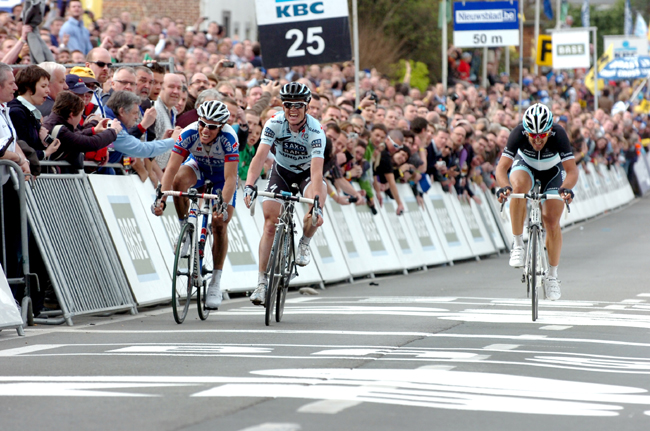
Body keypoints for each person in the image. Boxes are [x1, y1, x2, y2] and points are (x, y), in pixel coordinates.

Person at [243, 82, 326, 306]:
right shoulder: (275, 123)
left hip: (307, 173)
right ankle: (261, 281)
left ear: (307, 106)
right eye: (287, 104)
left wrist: (316, 201)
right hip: (280, 171)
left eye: (298, 105)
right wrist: (250, 184)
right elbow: (259, 157)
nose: (292, 109)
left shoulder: (316, 131)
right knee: (270, 223)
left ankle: (305, 242)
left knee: (315, 210)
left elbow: (317, 171)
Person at [154, 101, 238, 310]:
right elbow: (171, 169)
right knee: (178, 182)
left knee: (220, 224)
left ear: (221, 127)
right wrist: (161, 199)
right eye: (202, 123)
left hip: (221, 178)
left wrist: (222, 205)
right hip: (198, 168)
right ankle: (186, 228)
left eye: (212, 126)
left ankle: (215, 282)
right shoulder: (189, 133)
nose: (205, 129)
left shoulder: (229, 139)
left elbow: (230, 180)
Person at [495, 103, 578, 301]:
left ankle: (552, 276)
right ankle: (517, 244)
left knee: (551, 221)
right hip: (526, 167)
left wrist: (566, 188)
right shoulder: (518, 132)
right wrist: (505, 186)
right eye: (533, 135)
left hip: (553, 172)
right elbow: (501, 168)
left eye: (542, 135)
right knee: (518, 189)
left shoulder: (559, 134)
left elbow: (572, 170)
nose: (538, 140)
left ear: (550, 130)